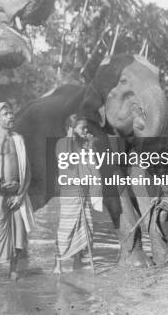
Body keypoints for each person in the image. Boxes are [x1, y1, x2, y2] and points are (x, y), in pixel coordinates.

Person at [0, 102, 34, 280]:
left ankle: (13, 269)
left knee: (18, 231)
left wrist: (21, 195)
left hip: (16, 192)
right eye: (5, 114)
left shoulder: (19, 140)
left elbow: (28, 171)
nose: (11, 116)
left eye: (11, 113)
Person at [52, 114, 103, 274]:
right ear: (71, 128)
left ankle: (77, 261)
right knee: (66, 229)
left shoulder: (83, 146)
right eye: (82, 127)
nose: (86, 130)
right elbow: (65, 161)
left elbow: (91, 166)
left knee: (85, 228)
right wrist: (69, 137)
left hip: (83, 191)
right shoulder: (62, 143)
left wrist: (89, 146)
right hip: (69, 192)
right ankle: (58, 264)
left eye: (86, 127)